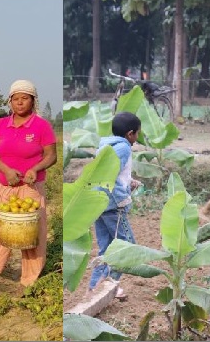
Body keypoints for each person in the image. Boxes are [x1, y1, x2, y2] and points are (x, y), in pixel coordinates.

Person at [0, 80, 57, 287]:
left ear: (32, 101)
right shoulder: (1, 124)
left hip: (30, 189)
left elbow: (51, 156)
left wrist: (35, 169)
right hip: (3, 187)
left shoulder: (41, 125)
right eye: (16, 99)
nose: (20, 103)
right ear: (10, 101)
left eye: (25, 98)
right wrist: (6, 170)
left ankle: (29, 281)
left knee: (31, 236)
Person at [88, 112, 142, 300]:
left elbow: (114, 172)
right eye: (137, 133)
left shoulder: (106, 146)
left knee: (106, 247)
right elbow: (108, 176)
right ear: (130, 134)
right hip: (113, 207)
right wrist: (123, 198)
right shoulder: (124, 148)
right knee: (126, 246)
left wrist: (129, 182)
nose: (137, 137)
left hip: (99, 204)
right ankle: (109, 283)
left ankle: (94, 287)